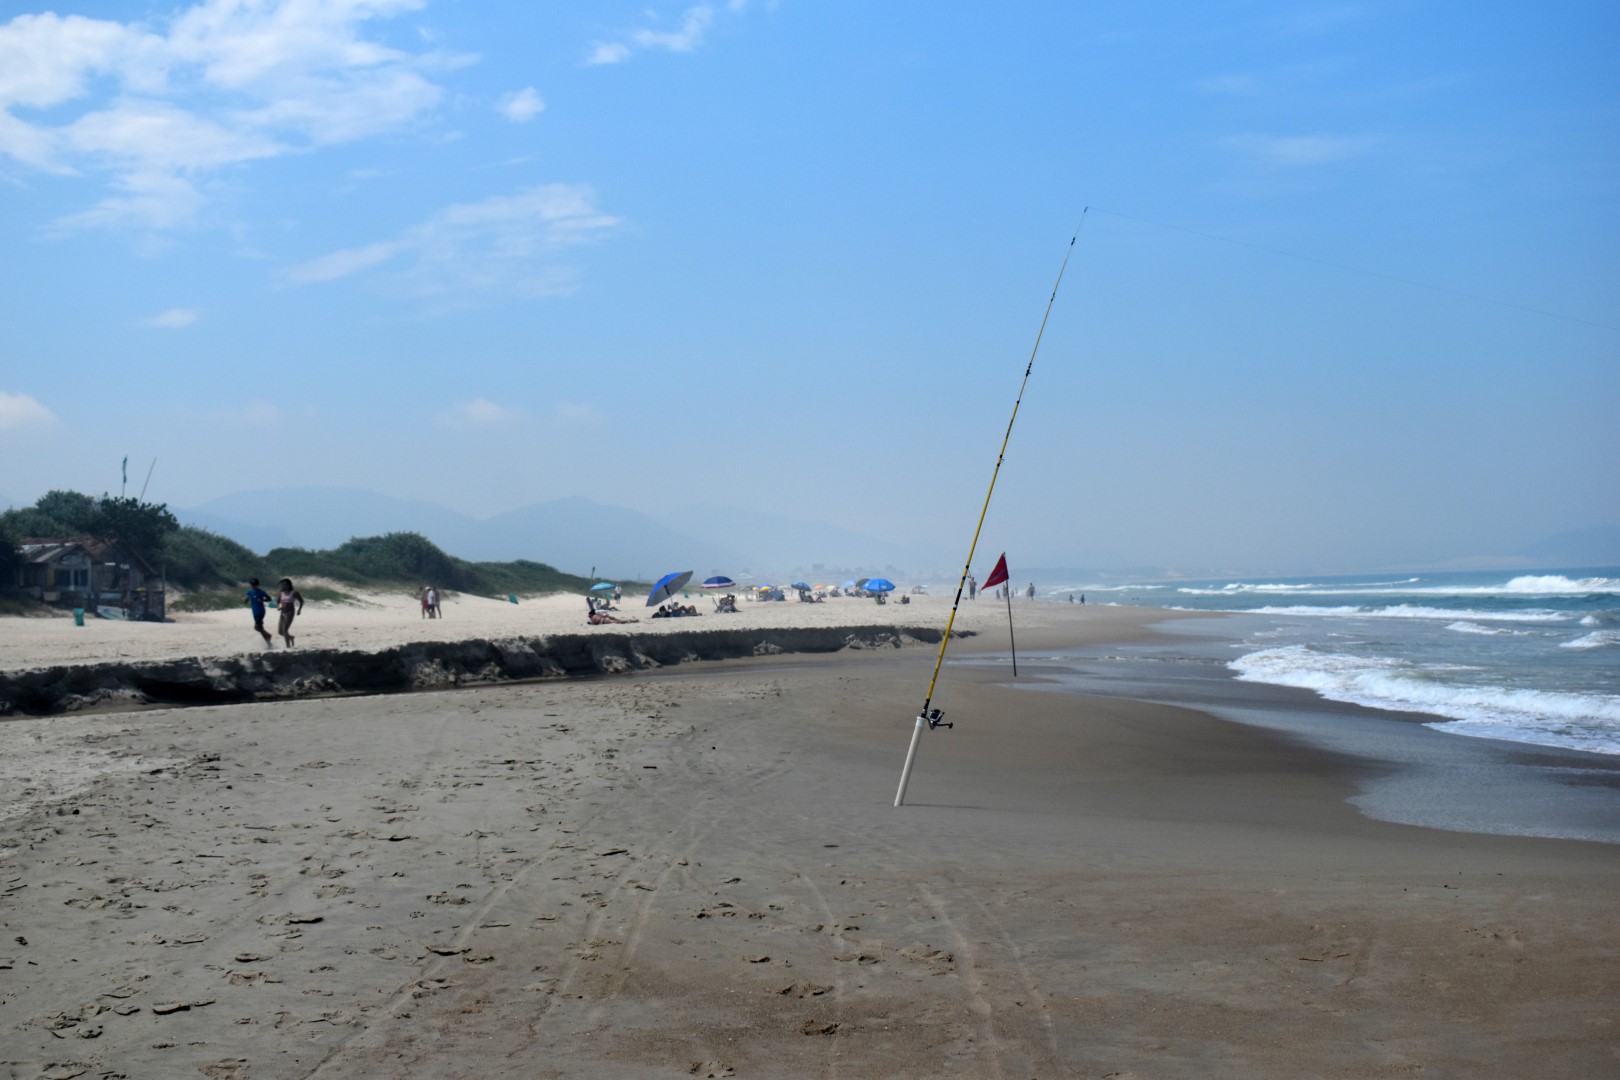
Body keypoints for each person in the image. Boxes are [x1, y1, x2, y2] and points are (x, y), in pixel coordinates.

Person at [244, 578, 273, 647]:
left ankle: (268, 635)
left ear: (258, 585)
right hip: (254, 611)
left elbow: (269, 599)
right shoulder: (249, 592)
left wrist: (262, 599)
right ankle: (269, 644)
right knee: (260, 628)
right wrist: (246, 600)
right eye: (253, 585)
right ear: (251, 585)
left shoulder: (261, 592)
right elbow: (246, 599)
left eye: (255, 585)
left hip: (260, 611)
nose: (254, 586)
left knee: (256, 628)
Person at [276, 578, 304, 648]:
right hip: (282, 613)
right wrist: (278, 607)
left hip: (290, 613)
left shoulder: (294, 593)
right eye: (283, 585)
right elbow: (277, 602)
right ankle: (291, 637)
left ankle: (288, 646)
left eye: (286, 584)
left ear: (289, 585)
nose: (285, 586)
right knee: (280, 632)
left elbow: (301, 601)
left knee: (285, 630)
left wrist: (299, 610)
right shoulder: (281, 593)